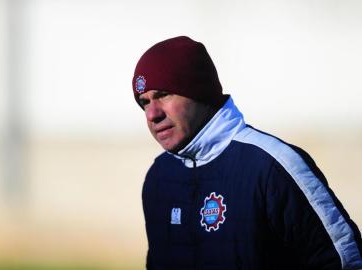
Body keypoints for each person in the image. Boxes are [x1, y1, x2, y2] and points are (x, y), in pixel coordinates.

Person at [132, 36, 362, 270]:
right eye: (144, 102)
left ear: (198, 91)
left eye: (163, 95)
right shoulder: (159, 177)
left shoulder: (273, 166)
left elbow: (345, 261)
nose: (152, 114)